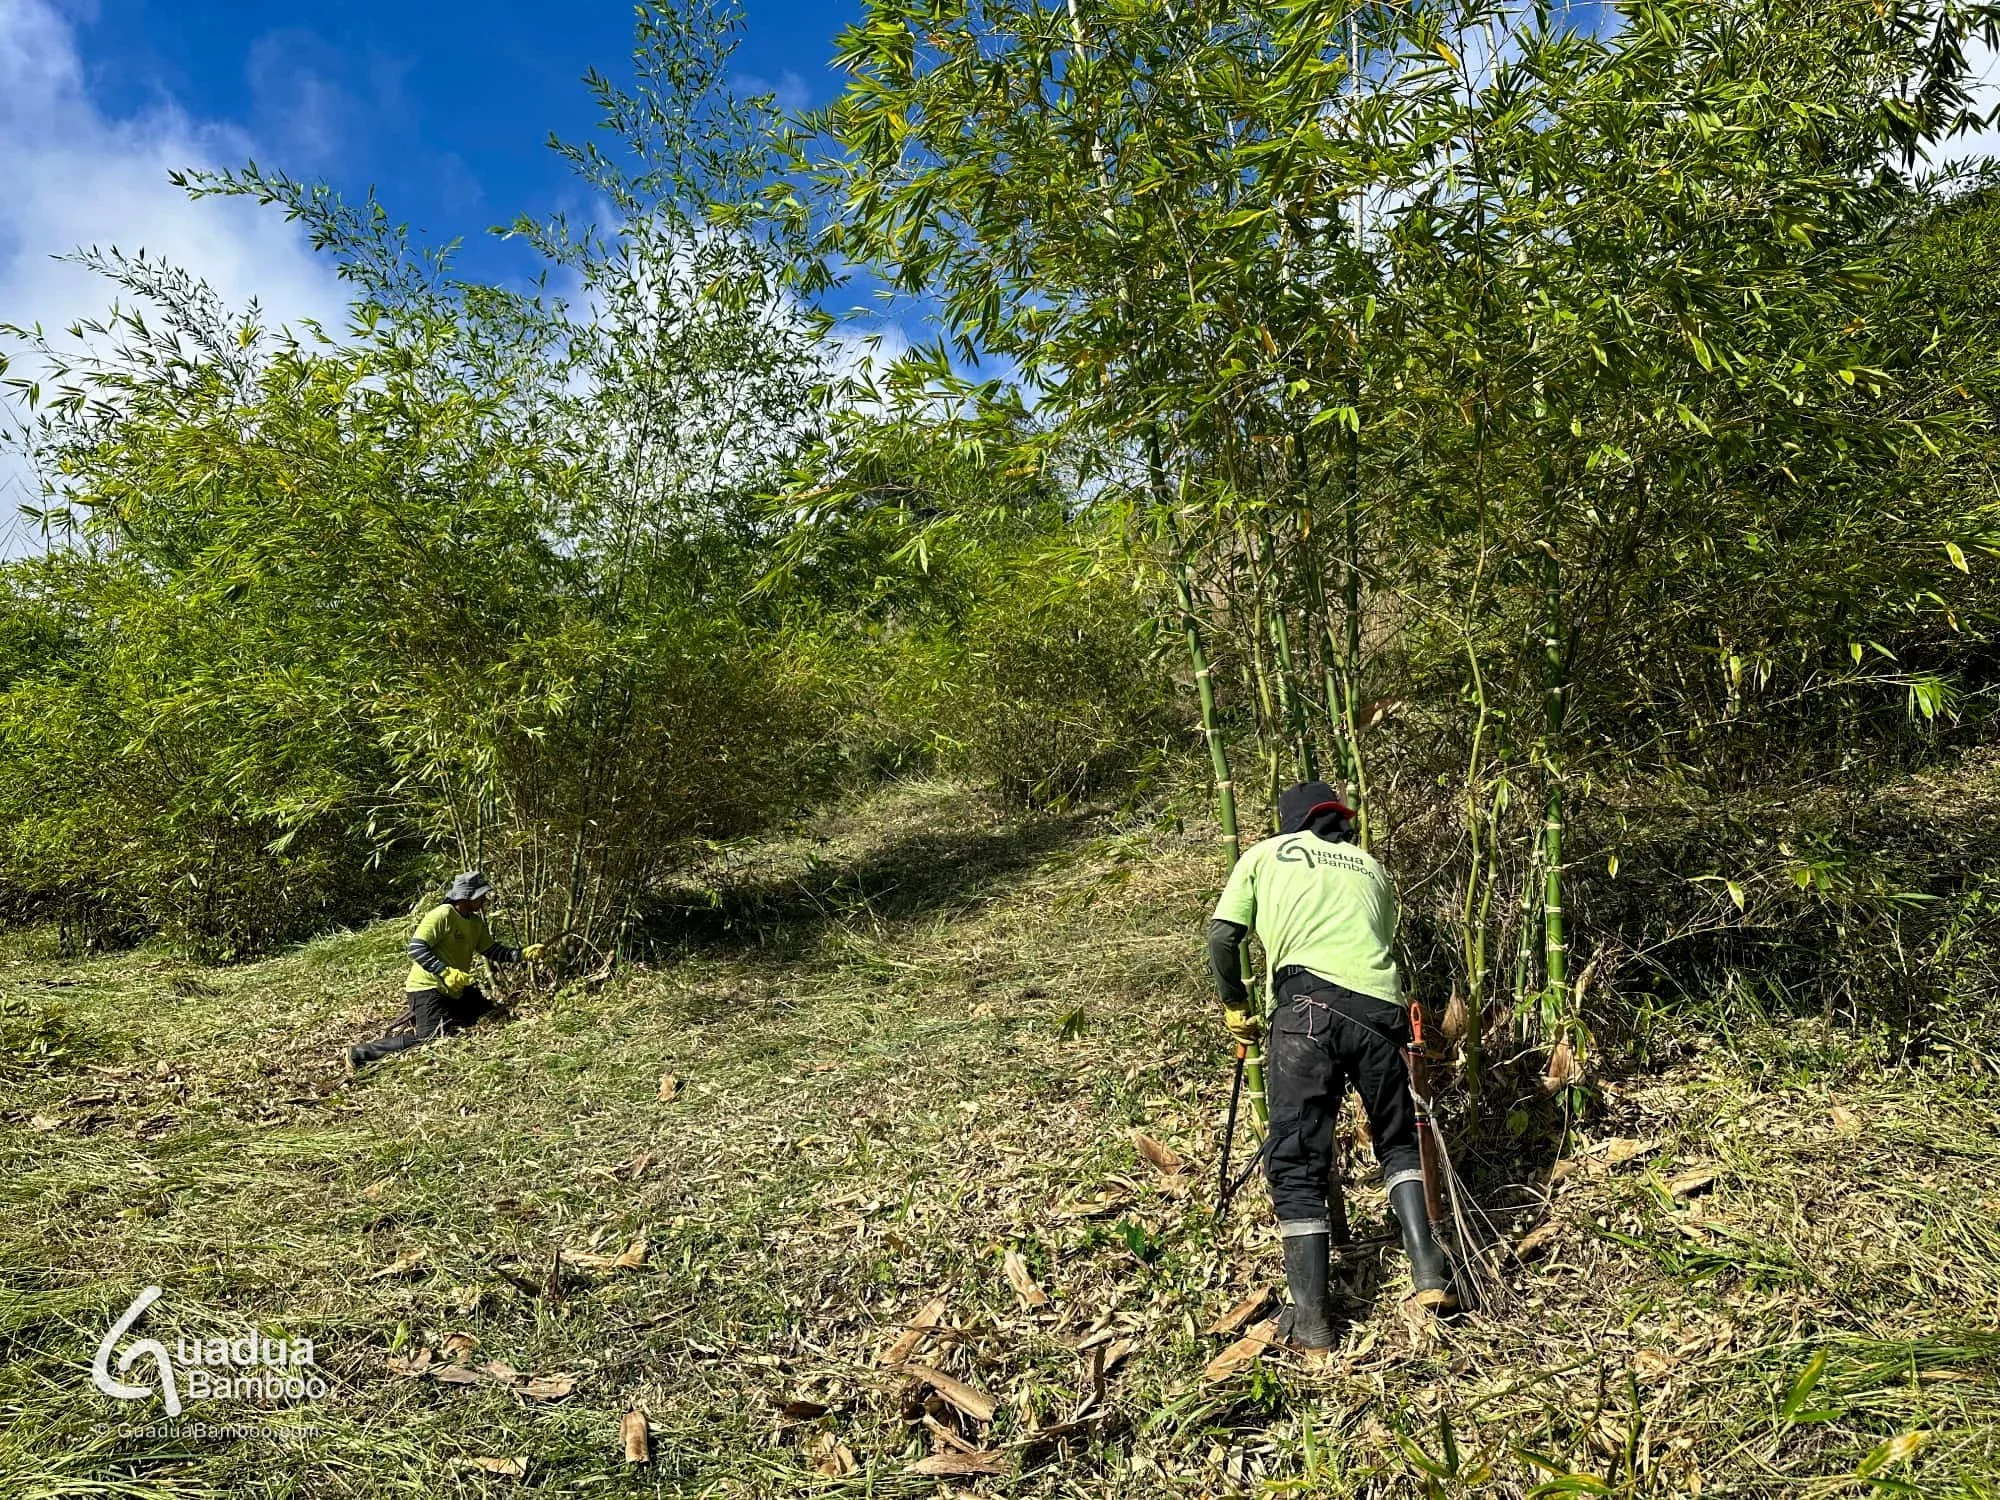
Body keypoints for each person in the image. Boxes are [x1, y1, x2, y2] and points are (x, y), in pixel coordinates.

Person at [1207, 781, 1456, 1350]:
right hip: (1382, 1014)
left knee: (1296, 1160)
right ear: (1340, 822)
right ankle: (1430, 1273)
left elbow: (1223, 937)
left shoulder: (1265, 854)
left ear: (1292, 822)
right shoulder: (1370, 867)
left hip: (1306, 1012)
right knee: (1399, 1140)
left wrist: (1235, 1006)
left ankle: (1313, 1319)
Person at [345, 871, 543, 1072]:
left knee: (491, 1015)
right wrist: (445, 972)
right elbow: (416, 948)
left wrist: (522, 954)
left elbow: (491, 950)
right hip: (428, 988)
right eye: (481, 895)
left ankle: (435, 1017)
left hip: (455, 989)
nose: (484, 899)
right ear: (467, 897)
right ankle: (361, 1053)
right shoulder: (442, 915)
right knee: (429, 1039)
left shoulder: (475, 923)